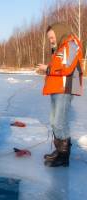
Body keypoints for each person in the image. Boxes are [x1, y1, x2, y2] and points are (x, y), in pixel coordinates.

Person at [37, 23, 83, 167]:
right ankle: (59, 151)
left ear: (59, 32)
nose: (51, 39)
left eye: (52, 36)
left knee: (59, 122)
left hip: (64, 88)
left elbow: (67, 67)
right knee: (53, 121)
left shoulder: (72, 44)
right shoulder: (61, 47)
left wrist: (48, 68)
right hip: (57, 88)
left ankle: (64, 156)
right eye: (49, 37)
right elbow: (59, 66)